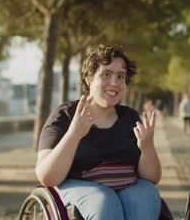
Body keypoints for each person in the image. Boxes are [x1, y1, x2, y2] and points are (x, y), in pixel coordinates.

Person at [36, 45, 162, 219]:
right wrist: (74, 133)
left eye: (121, 77)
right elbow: (47, 177)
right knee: (104, 201)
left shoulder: (131, 117)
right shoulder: (65, 115)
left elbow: (152, 178)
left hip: (129, 185)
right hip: (80, 187)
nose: (114, 83)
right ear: (89, 78)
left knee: (147, 195)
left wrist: (147, 147)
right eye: (106, 74)